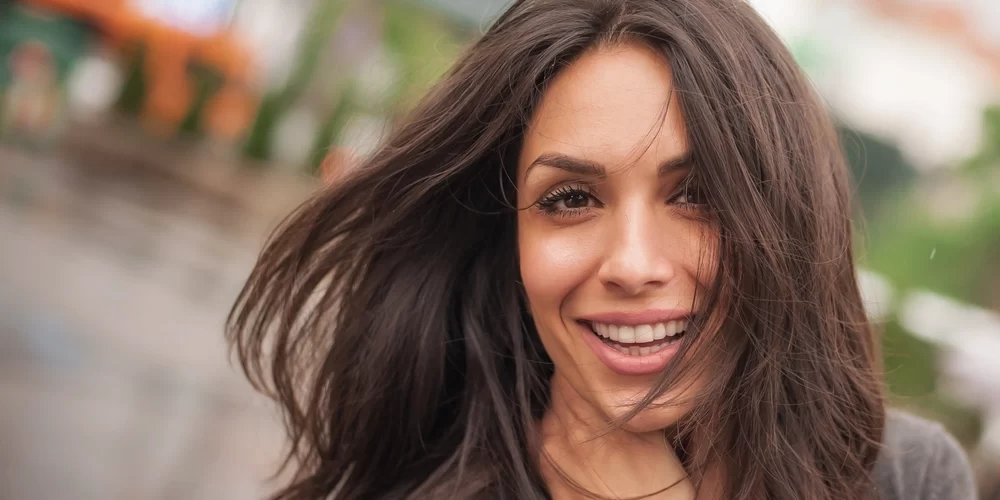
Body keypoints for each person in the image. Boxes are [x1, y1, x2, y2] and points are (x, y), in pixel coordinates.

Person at [227, 1, 977, 499]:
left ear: (781, 213)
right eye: (571, 200)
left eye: (697, 193)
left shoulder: (907, 477)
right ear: (508, 238)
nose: (632, 263)